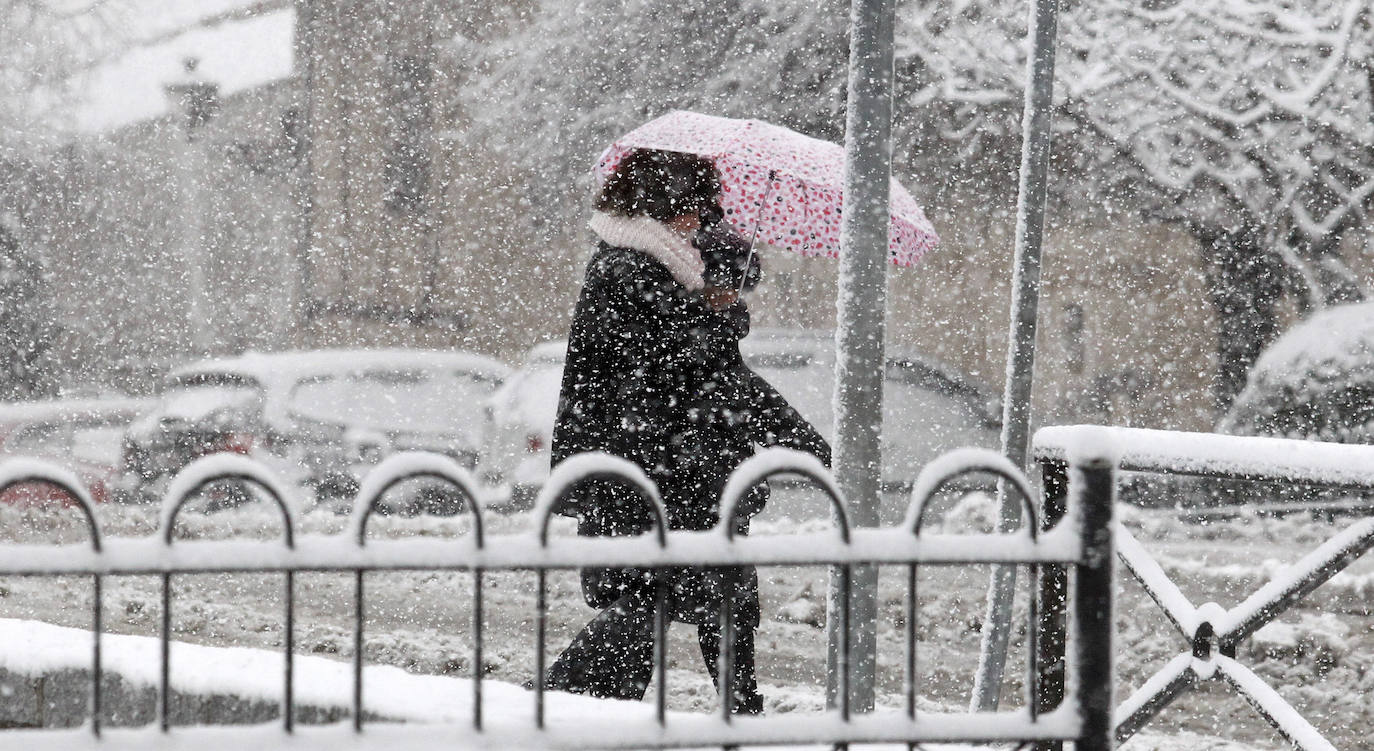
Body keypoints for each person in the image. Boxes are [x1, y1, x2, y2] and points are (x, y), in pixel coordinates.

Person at [545, 148, 828, 714]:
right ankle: (565, 711)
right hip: (654, 478)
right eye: (690, 208)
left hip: (679, 475)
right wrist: (719, 314)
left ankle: (737, 709)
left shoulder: (662, 267)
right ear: (657, 204)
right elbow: (686, 369)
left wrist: (796, 434)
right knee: (651, 609)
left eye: (705, 208)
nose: (699, 220)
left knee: (715, 599)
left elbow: (714, 369)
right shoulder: (628, 271)